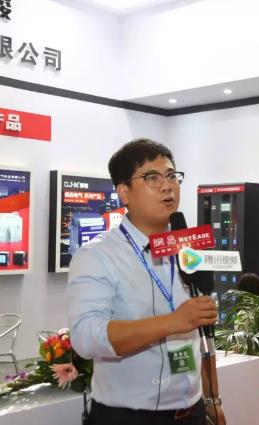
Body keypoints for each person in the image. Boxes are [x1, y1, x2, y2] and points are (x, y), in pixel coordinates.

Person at [67, 138, 226, 425]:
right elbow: (86, 337)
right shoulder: (97, 255)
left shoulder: (188, 250)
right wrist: (172, 322)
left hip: (192, 412)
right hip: (127, 417)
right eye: (152, 177)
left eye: (172, 176)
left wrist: (213, 400)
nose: (168, 186)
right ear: (124, 193)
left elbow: (203, 334)